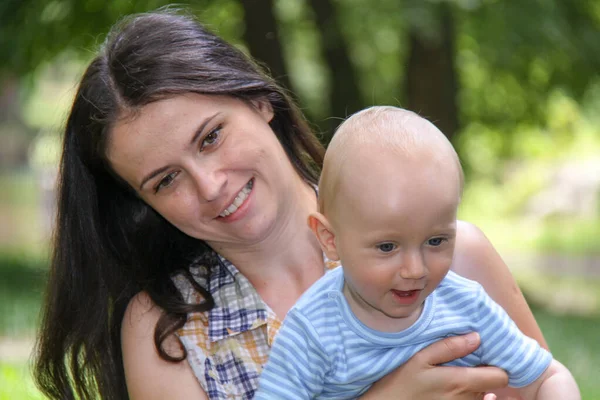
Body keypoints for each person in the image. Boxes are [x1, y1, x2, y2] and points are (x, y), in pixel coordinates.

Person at [33, 10, 550, 400]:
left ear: (259, 101)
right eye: (167, 180)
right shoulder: (166, 329)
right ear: (141, 203)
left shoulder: (456, 259)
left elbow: (543, 384)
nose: (210, 185)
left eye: (210, 137)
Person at [254, 106, 580, 400]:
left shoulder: (466, 305)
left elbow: (547, 376)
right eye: (387, 247)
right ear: (329, 239)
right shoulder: (312, 332)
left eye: (436, 241)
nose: (415, 269)